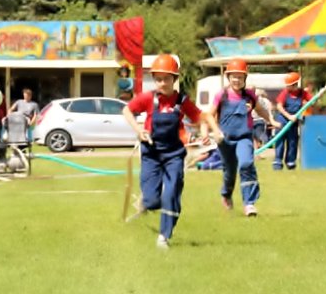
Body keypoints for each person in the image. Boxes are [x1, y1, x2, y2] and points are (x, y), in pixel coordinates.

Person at [121, 54, 223, 249]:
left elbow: (201, 116)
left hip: (174, 155)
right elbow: (127, 111)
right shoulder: (148, 98)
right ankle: (150, 205)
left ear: (174, 79)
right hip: (151, 153)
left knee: (171, 194)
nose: (162, 83)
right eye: (158, 79)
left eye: (166, 78)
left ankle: (164, 236)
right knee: (151, 200)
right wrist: (139, 130)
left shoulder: (182, 100)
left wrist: (211, 131)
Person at [210, 59, 281, 217]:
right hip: (225, 140)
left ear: (245, 78)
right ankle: (226, 194)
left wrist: (271, 121)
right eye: (234, 76)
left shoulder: (249, 96)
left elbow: (261, 110)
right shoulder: (221, 95)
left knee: (246, 164)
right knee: (229, 172)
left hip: (244, 137)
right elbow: (211, 114)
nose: (237, 80)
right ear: (228, 77)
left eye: (240, 77)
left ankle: (249, 203)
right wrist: (214, 131)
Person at [275, 72, 312, 171]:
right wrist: (289, 116)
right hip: (282, 120)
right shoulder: (284, 93)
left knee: (292, 142)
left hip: (294, 122)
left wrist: (309, 95)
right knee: (280, 142)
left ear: (295, 84)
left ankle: (291, 163)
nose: (287, 87)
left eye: (289, 85)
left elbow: (312, 102)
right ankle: (278, 163)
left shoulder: (303, 93)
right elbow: (279, 106)